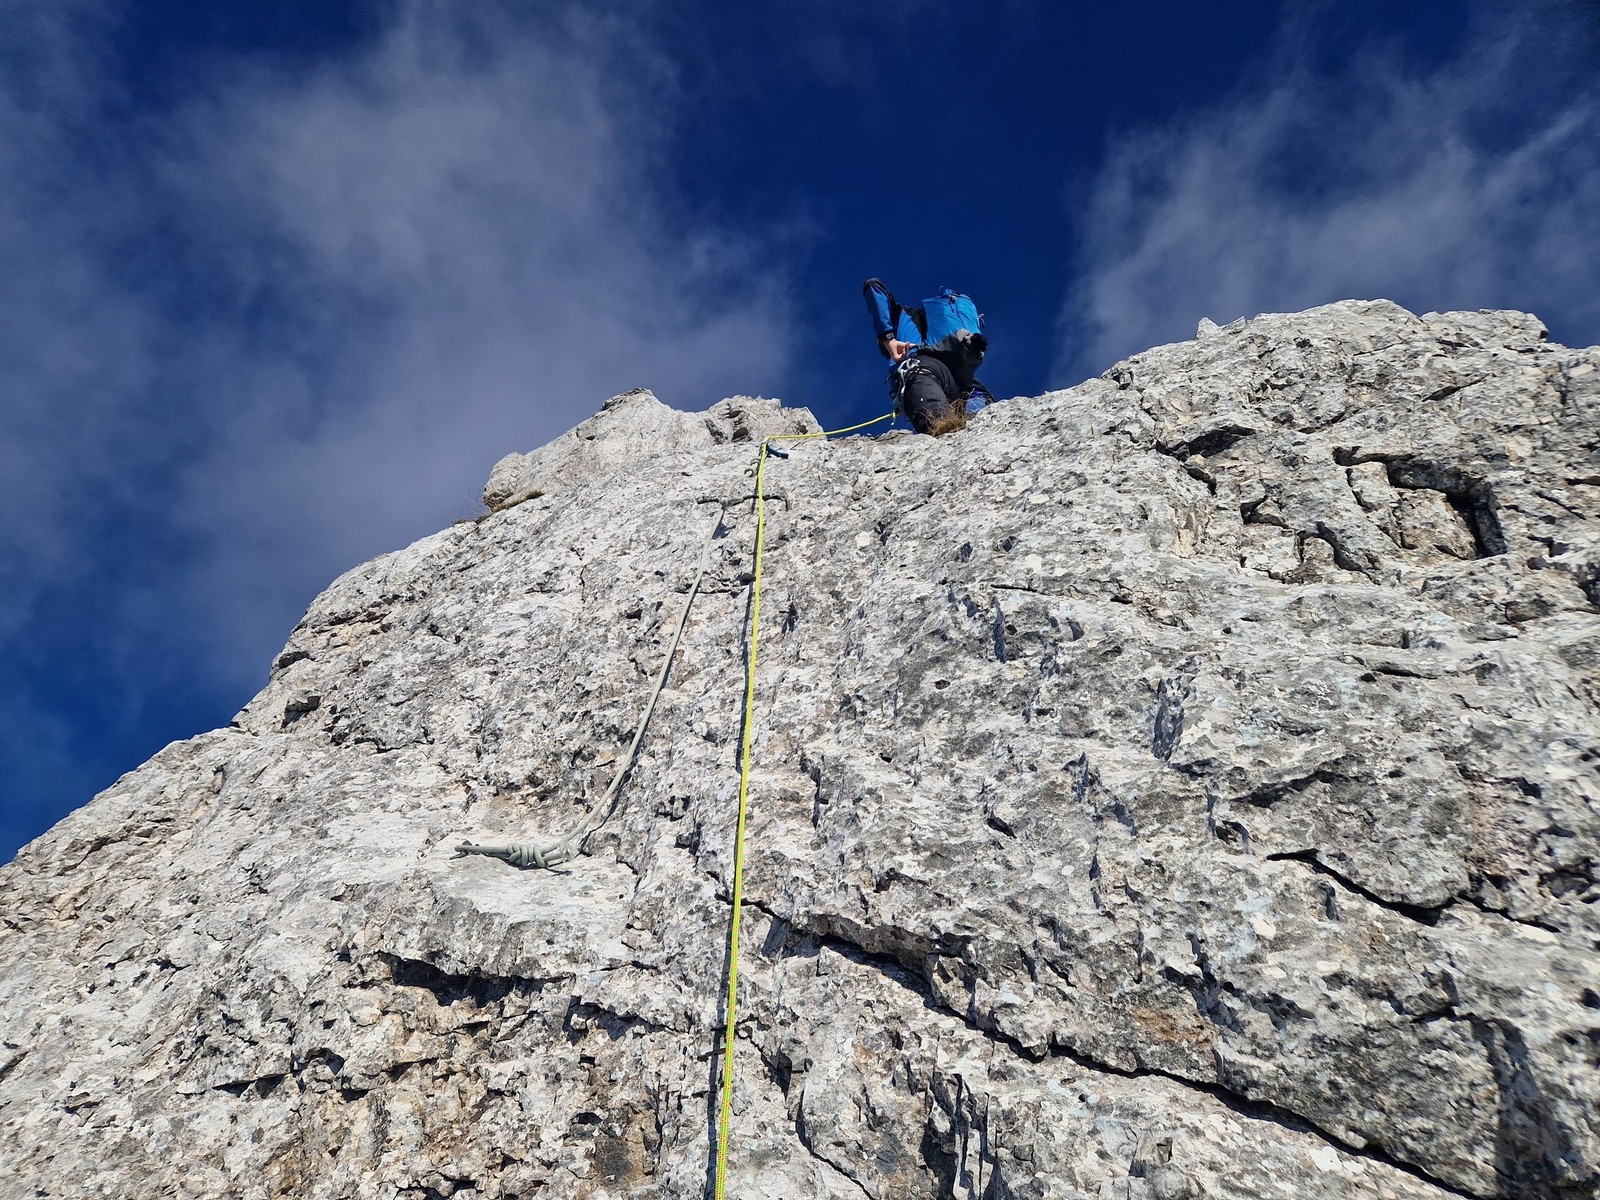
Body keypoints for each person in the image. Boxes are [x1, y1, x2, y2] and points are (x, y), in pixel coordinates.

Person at [863, 279, 990, 436]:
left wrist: (888, 338)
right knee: (987, 426)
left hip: (923, 370)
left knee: (940, 429)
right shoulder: (949, 322)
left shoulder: (901, 315)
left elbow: (873, 286)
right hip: (968, 382)